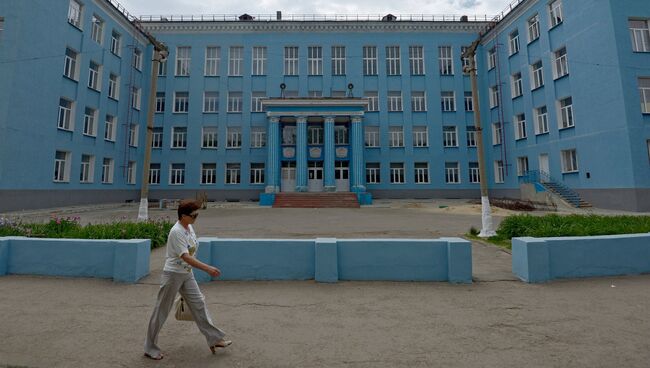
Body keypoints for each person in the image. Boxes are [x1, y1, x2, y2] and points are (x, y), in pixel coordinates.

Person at [144, 199, 231, 360]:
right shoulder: (176, 231)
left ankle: (214, 338)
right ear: (183, 216)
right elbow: (185, 257)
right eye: (193, 215)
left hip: (186, 273)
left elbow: (191, 253)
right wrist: (208, 268)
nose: (195, 218)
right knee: (161, 310)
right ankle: (150, 347)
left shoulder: (189, 227)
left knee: (199, 303)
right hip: (173, 274)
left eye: (197, 215)